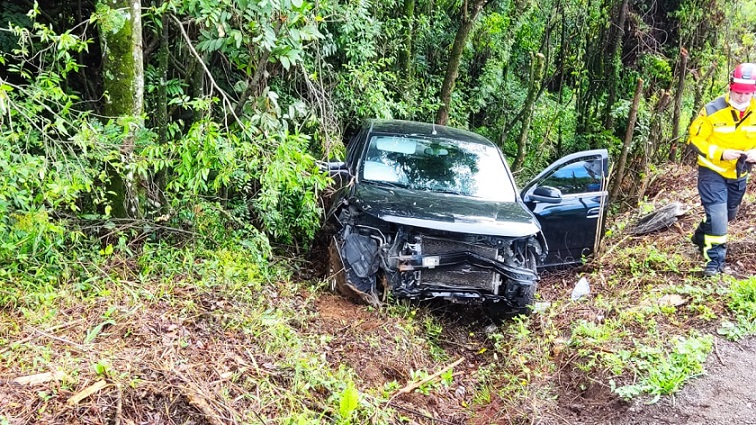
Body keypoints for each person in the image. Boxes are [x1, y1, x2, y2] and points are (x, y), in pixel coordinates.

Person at [688, 62, 756, 277]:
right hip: (712, 170)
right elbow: (694, 140)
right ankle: (714, 263)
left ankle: (700, 236)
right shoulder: (711, 110)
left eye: (748, 93)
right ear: (730, 87)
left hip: (739, 172)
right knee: (718, 216)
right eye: (738, 92)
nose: (742, 98)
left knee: (727, 215)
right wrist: (720, 153)